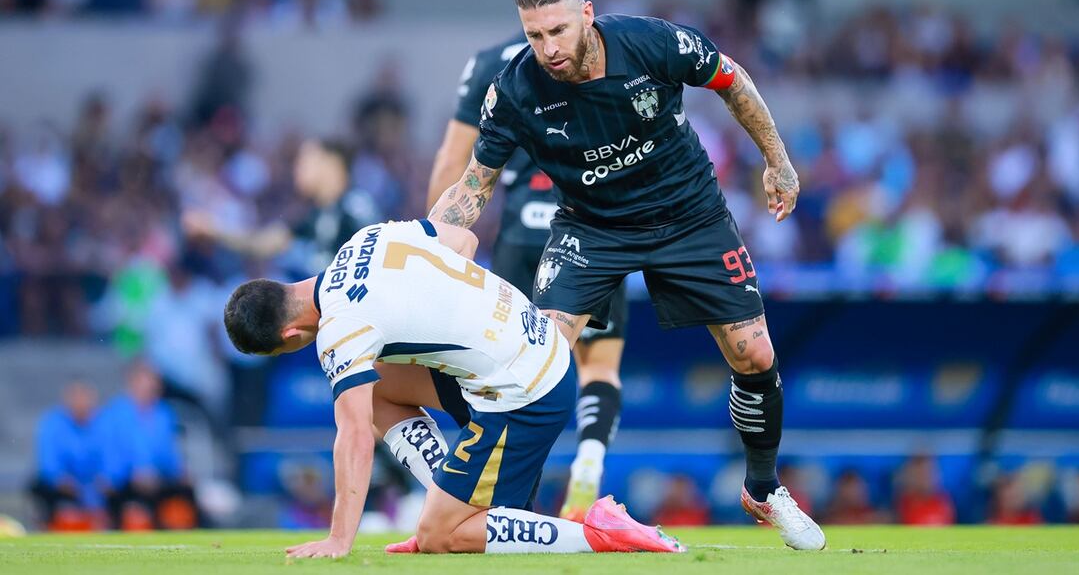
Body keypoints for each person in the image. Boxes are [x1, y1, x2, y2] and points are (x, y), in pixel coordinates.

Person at [428, 0, 824, 550]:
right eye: (535, 35)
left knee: (753, 351)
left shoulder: (651, 41)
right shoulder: (515, 89)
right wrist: (418, 248)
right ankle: (506, 506)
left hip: (689, 214)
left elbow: (732, 80)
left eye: (558, 30)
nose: (548, 48)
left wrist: (778, 160)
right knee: (537, 364)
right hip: (592, 229)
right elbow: (474, 186)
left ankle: (763, 489)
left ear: (586, 14)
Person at [223, 218, 683, 557]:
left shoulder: (339, 330)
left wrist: (339, 539)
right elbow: (464, 238)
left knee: (440, 537)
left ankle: (597, 531)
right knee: (377, 385)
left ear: (286, 338)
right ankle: (449, 499)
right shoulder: (365, 240)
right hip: (531, 346)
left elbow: (356, 435)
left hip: (525, 394)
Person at [428, 0, 626, 521]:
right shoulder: (608, 53)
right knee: (600, 366)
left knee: (517, 374)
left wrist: (433, 244)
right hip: (594, 231)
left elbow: (454, 162)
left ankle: (511, 498)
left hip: (520, 228)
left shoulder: (493, 65)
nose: (548, 43)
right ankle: (588, 463)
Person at [183, 138, 380, 276]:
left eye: (304, 161)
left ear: (331, 164)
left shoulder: (356, 207)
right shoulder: (312, 218)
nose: (297, 169)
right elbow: (260, 243)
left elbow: (379, 258)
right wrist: (214, 230)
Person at [96, 361, 199, 530]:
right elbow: (109, 453)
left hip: (157, 479)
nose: (150, 385)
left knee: (187, 492)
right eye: (145, 380)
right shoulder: (114, 414)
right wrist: (130, 472)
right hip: (125, 481)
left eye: (153, 380)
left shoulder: (164, 413)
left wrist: (179, 471)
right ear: (132, 382)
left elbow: (168, 453)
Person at [29, 380, 106, 530]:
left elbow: (111, 458)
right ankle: (47, 524)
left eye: (84, 397)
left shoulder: (103, 423)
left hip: (93, 484)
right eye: (76, 397)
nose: (80, 402)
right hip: (62, 484)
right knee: (39, 486)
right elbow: (47, 462)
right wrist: (60, 478)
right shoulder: (52, 422)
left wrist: (105, 478)